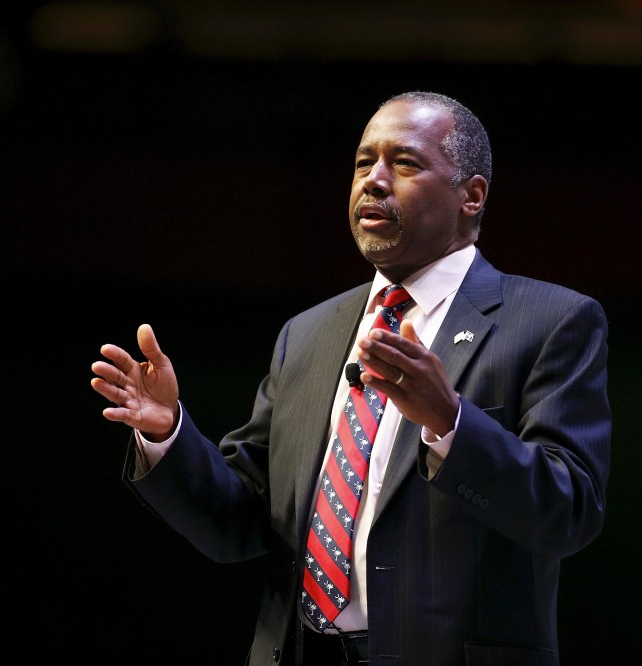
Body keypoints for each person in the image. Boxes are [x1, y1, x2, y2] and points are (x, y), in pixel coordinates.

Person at [90, 91, 610, 666]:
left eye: (404, 163)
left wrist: (449, 422)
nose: (374, 180)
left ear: (472, 195)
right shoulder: (307, 335)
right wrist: (167, 433)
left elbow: (570, 513)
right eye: (364, 163)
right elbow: (237, 525)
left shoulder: (549, 321)